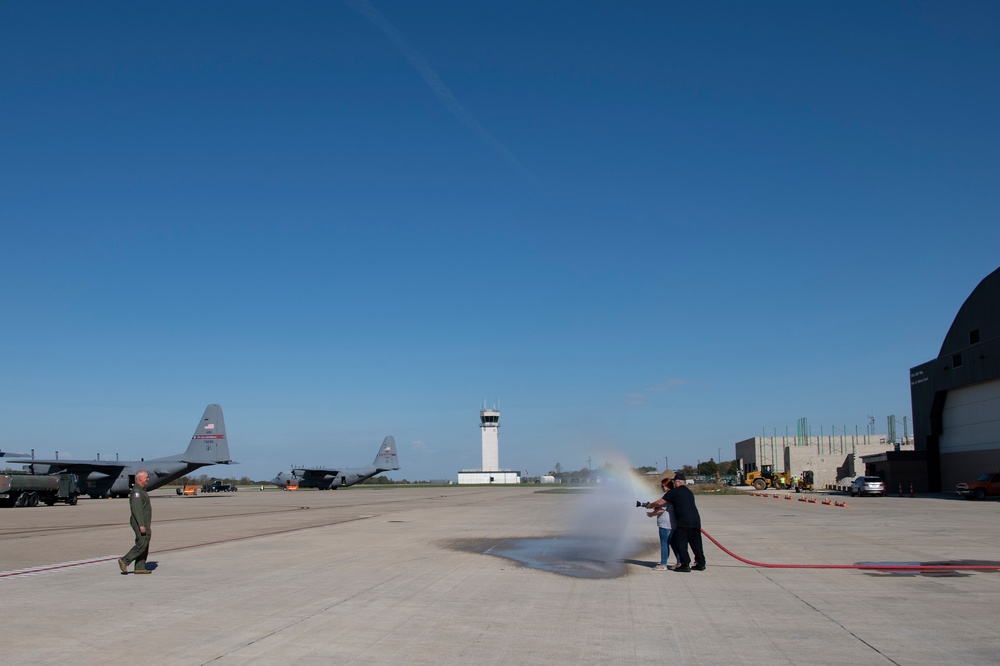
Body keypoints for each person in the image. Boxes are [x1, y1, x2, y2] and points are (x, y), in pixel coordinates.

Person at [643, 473, 705, 572]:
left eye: (674, 481)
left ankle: (685, 565)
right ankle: (701, 563)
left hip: (683, 521)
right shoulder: (689, 492)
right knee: (696, 544)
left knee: (680, 543)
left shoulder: (674, 492)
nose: (673, 483)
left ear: (677, 482)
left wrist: (650, 505)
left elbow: (660, 503)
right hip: (695, 520)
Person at [118, 470, 152, 574]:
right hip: (139, 522)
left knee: (145, 542)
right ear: (140, 478)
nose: (148, 479)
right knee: (142, 542)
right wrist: (141, 525)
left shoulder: (142, 491)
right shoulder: (137, 492)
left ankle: (140, 566)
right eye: (146, 477)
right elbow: (137, 510)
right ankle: (125, 560)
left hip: (144, 522)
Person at [647, 478, 678, 571]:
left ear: (667, 486)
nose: (662, 488)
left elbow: (661, 509)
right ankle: (679, 562)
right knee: (673, 543)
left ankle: (663, 564)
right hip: (673, 523)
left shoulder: (666, 495)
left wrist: (651, 514)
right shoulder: (674, 494)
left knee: (664, 543)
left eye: (663, 486)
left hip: (665, 523)